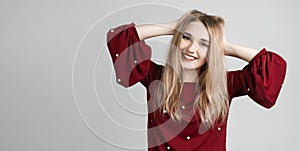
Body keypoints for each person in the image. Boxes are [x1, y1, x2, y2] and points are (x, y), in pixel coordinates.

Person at [106, 10, 286, 151]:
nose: (191, 48)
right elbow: (119, 38)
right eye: (186, 37)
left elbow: (272, 67)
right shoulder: (155, 77)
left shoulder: (225, 83)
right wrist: (172, 27)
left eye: (204, 44)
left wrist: (225, 47)